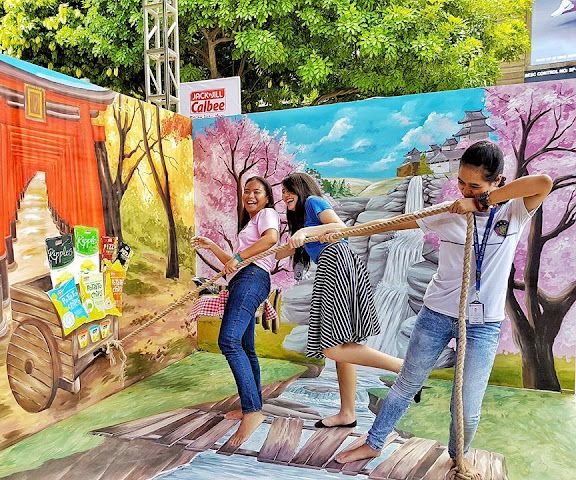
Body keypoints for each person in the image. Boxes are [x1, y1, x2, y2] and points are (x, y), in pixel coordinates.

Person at [331, 141, 552, 471]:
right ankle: (373, 444)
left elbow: (544, 182)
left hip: (483, 326)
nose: (464, 190)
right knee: (406, 384)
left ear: (497, 181)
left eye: (474, 185)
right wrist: (342, 231)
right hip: (435, 315)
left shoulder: (514, 212)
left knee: (467, 406)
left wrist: (482, 201)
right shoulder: (451, 212)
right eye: (461, 182)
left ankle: (457, 457)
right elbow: (399, 222)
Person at [276, 172, 405, 429]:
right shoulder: (301, 220)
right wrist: (291, 239)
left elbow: (340, 227)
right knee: (343, 346)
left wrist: (306, 231)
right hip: (330, 267)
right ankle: (347, 413)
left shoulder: (312, 202)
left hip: (336, 265)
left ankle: (403, 367)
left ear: (301, 189)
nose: (284, 196)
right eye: (282, 192)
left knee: (332, 347)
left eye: (288, 190)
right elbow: (282, 253)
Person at [191, 176, 279, 447]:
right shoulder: (250, 225)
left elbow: (272, 239)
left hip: (252, 278)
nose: (250, 196)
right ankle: (251, 404)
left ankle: (253, 412)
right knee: (245, 346)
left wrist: (240, 258)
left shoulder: (267, 214)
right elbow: (233, 263)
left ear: (266, 197)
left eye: (256, 192)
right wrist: (212, 246)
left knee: (228, 341)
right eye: (246, 191)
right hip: (243, 279)